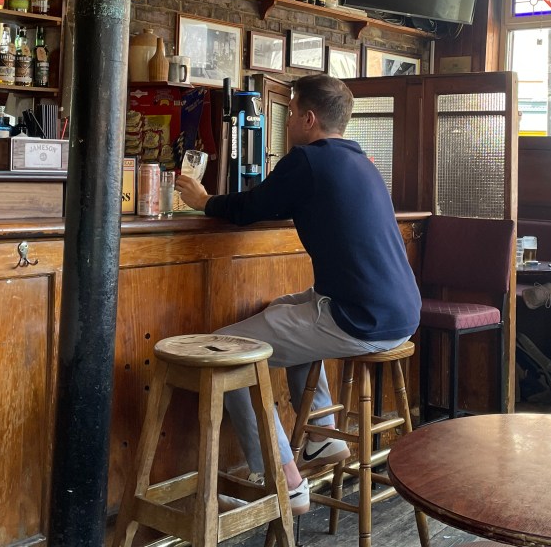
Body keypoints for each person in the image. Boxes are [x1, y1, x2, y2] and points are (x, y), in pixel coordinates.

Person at [174, 74, 421, 514]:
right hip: (400, 314)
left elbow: (250, 209)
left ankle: (282, 481)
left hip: (357, 319)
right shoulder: (361, 161)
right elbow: (277, 202)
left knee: (229, 354)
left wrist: (203, 199)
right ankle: (322, 440)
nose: (286, 123)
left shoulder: (307, 160)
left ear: (309, 118)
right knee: (285, 309)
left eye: (289, 113)